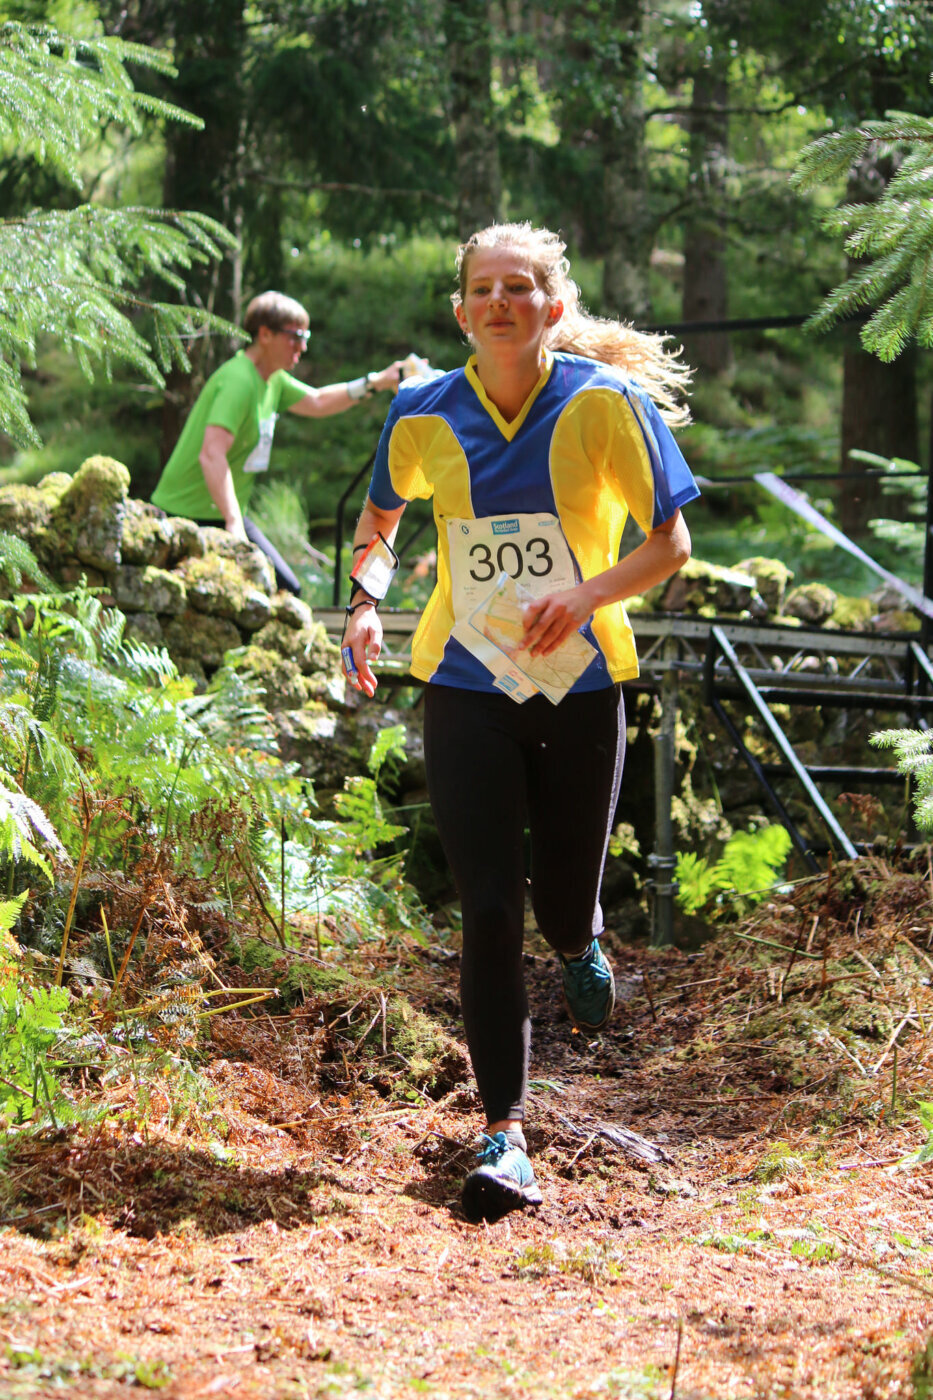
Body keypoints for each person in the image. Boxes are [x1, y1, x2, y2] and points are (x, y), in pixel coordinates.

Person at [342, 222, 699, 1223]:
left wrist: (583, 595)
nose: (499, 302)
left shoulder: (605, 404)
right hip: (464, 681)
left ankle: (582, 942)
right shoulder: (422, 411)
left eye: (519, 287)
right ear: (460, 312)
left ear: (553, 306)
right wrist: (365, 601)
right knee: (490, 910)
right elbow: (381, 523)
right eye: (482, 289)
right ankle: (505, 1130)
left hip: (581, 682)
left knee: (559, 902)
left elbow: (670, 543)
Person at [152, 290, 403, 595]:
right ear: (265, 334)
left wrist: (378, 381)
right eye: (295, 337)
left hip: (225, 515)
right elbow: (211, 454)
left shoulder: (273, 379)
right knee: (256, 594)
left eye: (305, 337)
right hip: (188, 516)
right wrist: (234, 524)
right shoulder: (238, 381)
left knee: (287, 589)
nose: (303, 347)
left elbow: (318, 401)